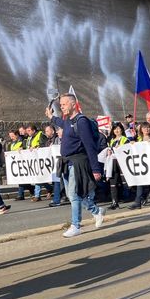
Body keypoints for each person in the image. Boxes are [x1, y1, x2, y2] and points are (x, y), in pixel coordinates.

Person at [46, 94, 105, 238]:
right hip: (66, 162)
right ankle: (97, 212)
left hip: (77, 162)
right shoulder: (67, 121)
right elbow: (59, 121)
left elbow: (90, 146)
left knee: (74, 195)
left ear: (74, 104)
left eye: (64, 104)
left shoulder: (81, 121)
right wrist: (51, 116)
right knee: (74, 194)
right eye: (60, 105)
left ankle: (76, 225)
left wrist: (96, 168)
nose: (62, 107)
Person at [107, 122, 129, 209]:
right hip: (113, 162)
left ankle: (134, 197)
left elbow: (128, 150)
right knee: (113, 182)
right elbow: (109, 149)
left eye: (118, 128)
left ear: (122, 130)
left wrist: (121, 148)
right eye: (115, 129)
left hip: (122, 162)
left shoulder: (125, 139)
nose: (117, 130)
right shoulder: (112, 140)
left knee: (126, 181)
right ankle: (114, 202)